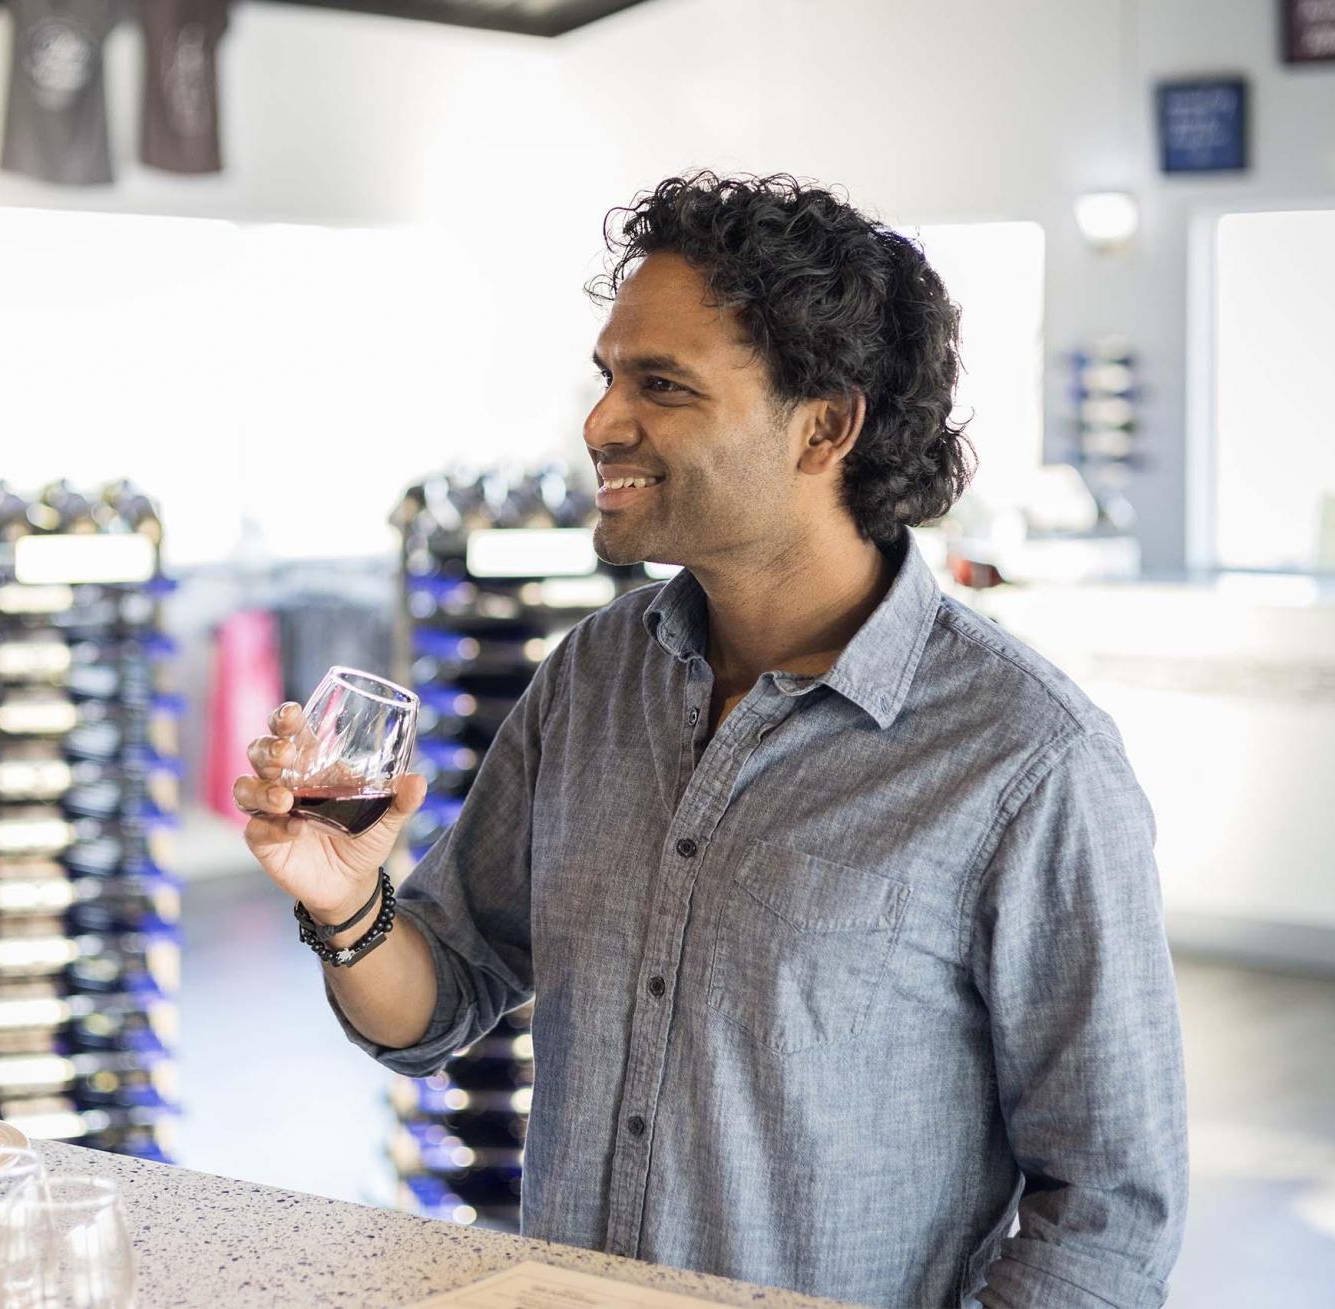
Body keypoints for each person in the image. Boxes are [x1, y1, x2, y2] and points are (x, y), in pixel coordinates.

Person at [234, 173, 1187, 1309]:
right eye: (607, 377)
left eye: (663, 386)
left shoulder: (1026, 761)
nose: (601, 424)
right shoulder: (595, 676)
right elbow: (443, 996)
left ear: (826, 425)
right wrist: (345, 901)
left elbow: (1111, 1207)